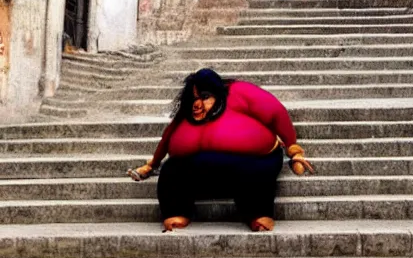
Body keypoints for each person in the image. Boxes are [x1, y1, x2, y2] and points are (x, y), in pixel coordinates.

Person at [127, 69, 313, 232]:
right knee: (171, 171)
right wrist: (153, 163)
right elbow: (169, 135)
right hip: (202, 168)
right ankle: (177, 212)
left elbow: (276, 112)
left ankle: (258, 213)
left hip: (253, 161)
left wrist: (293, 148)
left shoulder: (240, 92)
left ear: (217, 94)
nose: (197, 105)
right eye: (194, 99)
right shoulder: (188, 112)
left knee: (255, 173)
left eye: (205, 97)